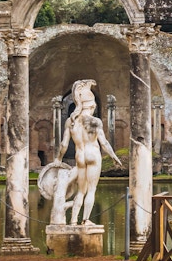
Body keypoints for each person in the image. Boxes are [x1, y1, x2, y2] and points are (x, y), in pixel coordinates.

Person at [46, 79, 124, 226]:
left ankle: (74, 220)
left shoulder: (71, 121)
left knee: (80, 191)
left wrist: (58, 159)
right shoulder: (95, 121)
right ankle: (86, 220)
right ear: (93, 105)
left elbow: (63, 144)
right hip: (93, 155)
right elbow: (104, 143)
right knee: (91, 190)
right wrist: (114, 157)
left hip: (80, 156)